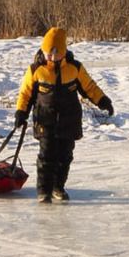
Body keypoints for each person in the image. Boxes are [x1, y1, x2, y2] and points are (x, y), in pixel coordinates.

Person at [14, 27, 114, 203]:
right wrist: (21, 113)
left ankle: (58, 187)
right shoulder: (36, 70)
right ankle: (44, 190)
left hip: (69, 120)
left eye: (56, 53)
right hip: (45, 120)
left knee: (65, 156)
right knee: (46, 156)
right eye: (48, 53)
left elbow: (89, 87)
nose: (51, 57)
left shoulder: (75, 68)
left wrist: (103, 101)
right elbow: (26, 94)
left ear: (63, 52)